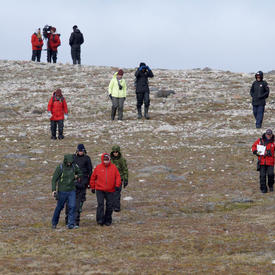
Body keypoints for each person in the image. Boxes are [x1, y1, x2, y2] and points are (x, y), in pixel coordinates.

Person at [65, 144, 93, 228]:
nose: (80, 152)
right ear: (77, 150)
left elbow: (90, 171)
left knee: (78, 204)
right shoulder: (72, 158)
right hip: (71, 184)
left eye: (82, 151)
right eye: (79, 151)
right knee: (69, 203)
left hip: (82, 184)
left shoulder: (87, 158)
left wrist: (89, 183)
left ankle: (76, 222)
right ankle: (68, 220)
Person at [89, 153, 121, 226]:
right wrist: (92, 187)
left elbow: (118, 177)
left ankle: (108, 219)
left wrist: (117, 185)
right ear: (102, 160)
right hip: (100, 189)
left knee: (109, 205)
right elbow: (93, 178)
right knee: (100, 204)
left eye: (107, 160)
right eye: (104, 160)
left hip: (110, 190)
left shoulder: (114, 167)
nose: (106, 161)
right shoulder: (98, 167)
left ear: (109, 160)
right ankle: (100, 219)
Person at [51, 154, 82, 229]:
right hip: (62, 191)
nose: (69, 163)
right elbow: (54, 179)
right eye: (68, 162)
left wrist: (77, 176)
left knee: (72, 206)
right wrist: (53, 190)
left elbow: (80, 173)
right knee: (59, 207)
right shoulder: (60, 168)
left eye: (71, 162)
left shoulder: (74, 167)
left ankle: (70, 224)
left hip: (72, 190)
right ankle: (54, 223)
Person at [252, 129, 274, 193]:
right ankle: (263, 189)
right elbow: (253, 147)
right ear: (265, 134)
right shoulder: (260, 140)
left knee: (271, 174)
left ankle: (270, 185)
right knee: (262, 176)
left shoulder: (274, 141)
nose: (268, 136)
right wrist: (256, 152)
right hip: (262, 161)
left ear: (271, 135)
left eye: (269, 135)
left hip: (270, 161)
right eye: (267, 134)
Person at [110, 145, 128, 212]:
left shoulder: (122, 160)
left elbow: (125, 170)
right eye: (114, 152)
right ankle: (111, 205)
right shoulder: (109, 160)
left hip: (119, 178)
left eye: (116, 152)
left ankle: (117, 206)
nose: (115, 153)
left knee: (117, 193)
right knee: (111, 193)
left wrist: (126, 179)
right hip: (111, 179)